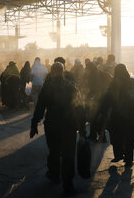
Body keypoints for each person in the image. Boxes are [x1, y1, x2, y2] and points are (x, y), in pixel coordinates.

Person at [30, 62, 85, 195]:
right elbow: (79, 108)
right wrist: (82, 127)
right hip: (69, 125)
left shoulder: (47, 86)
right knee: (68, 154)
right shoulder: (72, 87)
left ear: (52, 72)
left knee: (54, 151)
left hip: (52, 124)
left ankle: (54, 175)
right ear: (63, 72)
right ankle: (68, 184)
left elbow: (40, 108)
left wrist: (34, 124)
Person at [99, 64, 134, 167]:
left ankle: (118, 154)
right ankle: (129, 159)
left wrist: (102, 111)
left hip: (118, 115)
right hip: (133, 114)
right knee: (130, 136)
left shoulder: (115, 83)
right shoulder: (133, 82)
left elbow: (108, 99)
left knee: (116, 134)